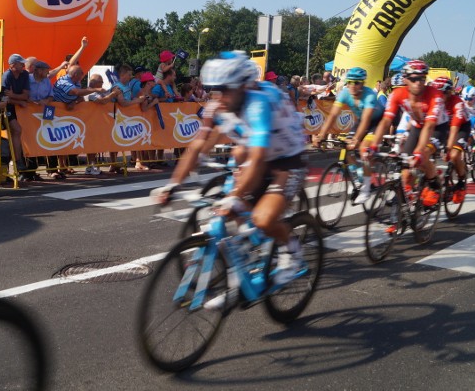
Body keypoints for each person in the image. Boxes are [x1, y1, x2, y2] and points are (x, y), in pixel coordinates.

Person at [152, 51, 308, 290]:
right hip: (257, 153)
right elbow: (197, 147)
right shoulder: (217, 105)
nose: (219, 97)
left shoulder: (259, 104)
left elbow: (257, 159)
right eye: (214, 90)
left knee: (263, 219)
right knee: (233, 207)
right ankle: (249, 254)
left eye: (225, 90)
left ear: (243, 87)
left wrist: (233, 197)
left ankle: (292, 252)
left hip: (286, 161)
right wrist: (173, 184)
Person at [369, 60, 445, 207]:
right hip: (417, 126)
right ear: (405, 79)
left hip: (437, 128)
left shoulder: (435, 96)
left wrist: (419, 152)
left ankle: (434, 185)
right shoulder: (398, 93)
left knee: (422, 156)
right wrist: (373, 146)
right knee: (405, 169)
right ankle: (405, 204)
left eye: (422, 78)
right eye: (414, 79)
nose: (418, 83)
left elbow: (429, 126)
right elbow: (386, 121)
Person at [314, 67, 384, 204]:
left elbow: (366, 120)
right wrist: (321, 135)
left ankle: (366, 189)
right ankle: (357, 179)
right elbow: (333, 115)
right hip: (360, 120)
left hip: (375, 122)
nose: (352, 85)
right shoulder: (344, 93)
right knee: (347, 149)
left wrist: (357, 140)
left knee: (363, 150)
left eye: (356, 82)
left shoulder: (369, 95)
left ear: (362, 84)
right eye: (350, 82)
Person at [434, 77, 469, 204]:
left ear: (449, 92)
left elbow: (454, 130)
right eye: (436, 93)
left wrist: (447, 148)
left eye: (442, 93)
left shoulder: (457, 103)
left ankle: (461, 181)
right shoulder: (435, 101)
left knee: (453, 155)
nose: (438, 96)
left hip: (461, 128)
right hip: (444, 127)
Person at [27, 58, 56, 180]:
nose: (47, 73)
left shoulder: (47, 81)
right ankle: (31, 171)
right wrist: (31, 102)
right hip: (29, 113)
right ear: (38, 70)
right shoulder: (27, 80)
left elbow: (51, 95)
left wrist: (46, 100)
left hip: (46, 111)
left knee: (50, 136)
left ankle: (53, 169)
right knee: (31, 139)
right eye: (45, 70)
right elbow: (23, 95)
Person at [2, 53, 30, 175]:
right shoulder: (7, 75)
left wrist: (13, 96)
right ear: (12, 65)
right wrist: (20, 100)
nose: (24, 65)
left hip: (16, 106)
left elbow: (26, 95)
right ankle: (17, 161)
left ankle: (17, 162)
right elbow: (5, 98)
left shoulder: (24, 74)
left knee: (17, 132)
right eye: (20, 63)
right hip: (7, 108)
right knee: (16, 131)